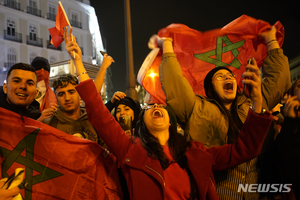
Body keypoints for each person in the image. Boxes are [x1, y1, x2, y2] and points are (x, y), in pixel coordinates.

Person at [64, 26, 273, 200]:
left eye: (160, 106)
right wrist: (78, 63)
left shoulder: (196, 152)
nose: (156, 107)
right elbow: (99, 114)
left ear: (172, 123)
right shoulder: (130, 150)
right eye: (149, 108)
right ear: (141, 125)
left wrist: (257, 101)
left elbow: (245, 149)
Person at [154, 26, 290, 199]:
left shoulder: (251, 103)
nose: (227, 77)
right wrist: (167, 46)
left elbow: (279, 82)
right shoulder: (196, 108)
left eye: (231, 76)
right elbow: (175, 85)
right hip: (215, 193)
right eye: (220, 76)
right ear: (210, 89)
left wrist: (271, 41)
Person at [43, 74, 104, 146]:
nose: (67, 98)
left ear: (80, 94)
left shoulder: (94, 119)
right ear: (56, 99)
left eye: (71, 92)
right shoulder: (48, 124)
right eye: (61, 94)